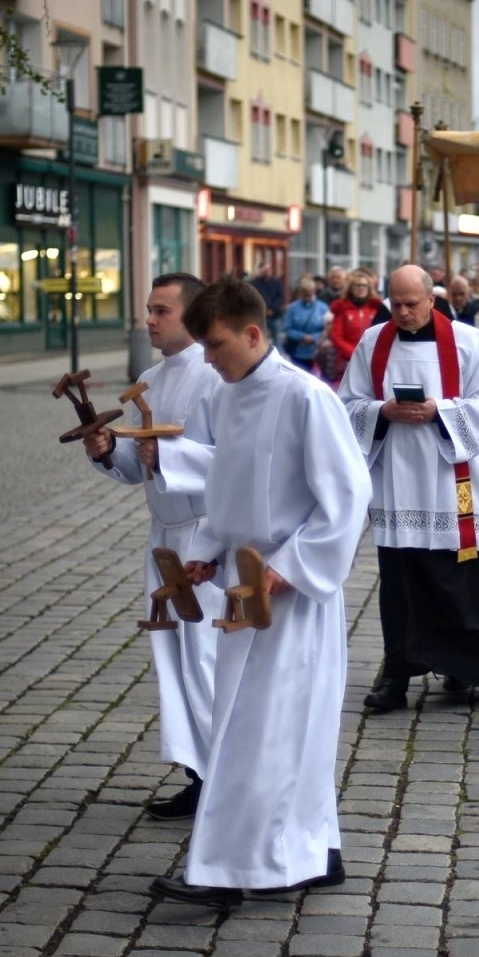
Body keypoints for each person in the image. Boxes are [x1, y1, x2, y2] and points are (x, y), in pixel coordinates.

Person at [150, 277, 371, 908]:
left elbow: (349, 496)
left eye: (216, 345)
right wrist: (203, 554)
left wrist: (289, 566)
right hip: (242, 587)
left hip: (291, 597)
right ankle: (311, 850)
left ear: (253, 333)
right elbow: (228, 489)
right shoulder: (226, 399)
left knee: (268, 728)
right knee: (252, 724)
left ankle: (229, 868)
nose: (209, 359)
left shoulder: (307, 398)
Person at [341, 266, 479, 712]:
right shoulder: (373, 343)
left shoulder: (468, 342)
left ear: (432, 299)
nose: (404, 312)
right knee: (402, 581)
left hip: (452, 479)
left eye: (413, 303)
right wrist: (382, 411)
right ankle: (396, 674)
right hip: (396, 480)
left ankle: (461, 664)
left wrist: (439, 411)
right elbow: (347, 404)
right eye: (396, 303)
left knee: (456, 577)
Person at [81, 273, 220, 822]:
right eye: (149, 309)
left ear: (193, 314)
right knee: (175, 663)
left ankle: (222, 777)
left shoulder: (216, 378)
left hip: (204, 537)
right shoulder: (150, 378)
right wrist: (108, 449)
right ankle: (198, 773)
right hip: (163, 534)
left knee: (205, 660)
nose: (151, 320)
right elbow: (134, 470)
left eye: (162, 310)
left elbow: (234, 460)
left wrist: (167, 457)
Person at [328, 269, 385, 371]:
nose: (361, 288)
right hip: (347, 359)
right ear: (351, 288)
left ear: (369, 288)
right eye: (357, 285)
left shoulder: (377, 308)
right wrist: (354, 353)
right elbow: (336, 337)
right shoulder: (342, 308)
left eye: (364, 285)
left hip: (372, 358)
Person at [283, 277, 330, 372]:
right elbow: (288, 328)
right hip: (297, 352)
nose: (308, 297)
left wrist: (313, 337)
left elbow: (328, 329)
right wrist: (302, 336)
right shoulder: (292, 308)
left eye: (310, 294)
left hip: (317, 351)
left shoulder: (323, 307)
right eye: (305, 295)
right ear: (300, 294)